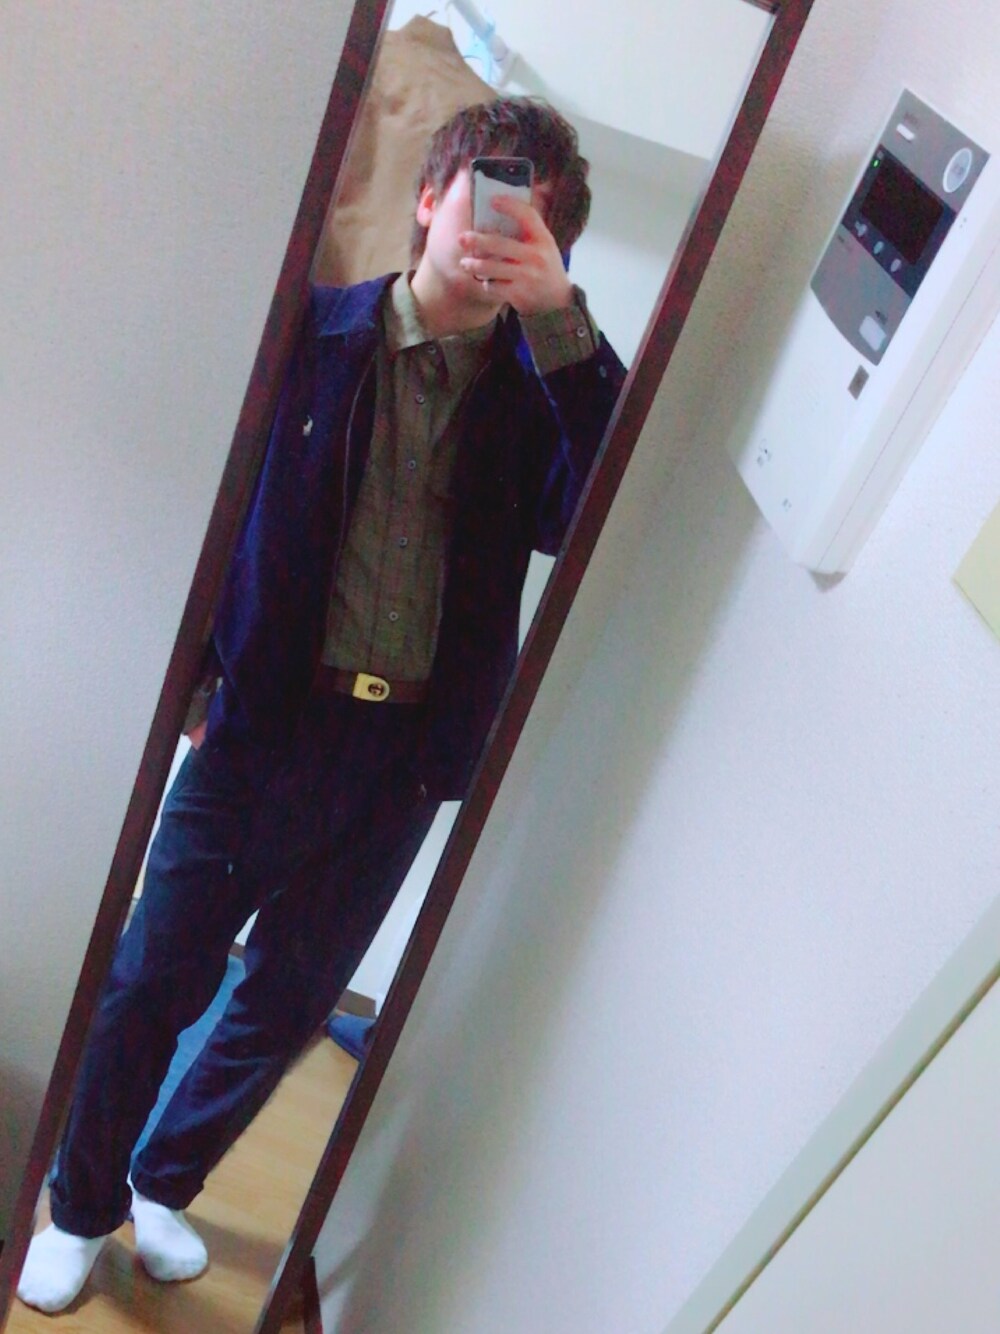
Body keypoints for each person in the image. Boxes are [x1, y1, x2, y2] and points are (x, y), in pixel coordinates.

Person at [17, 96, 625, 1314]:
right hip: (259, 728)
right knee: (152, 977)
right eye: (489, 196)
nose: (502, 232)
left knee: (288, 1001)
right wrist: (197, 677)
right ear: (430, 196)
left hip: (403, 757)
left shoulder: (534, 391)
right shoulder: (311, 333)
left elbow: (585, 511)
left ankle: (160, 1183)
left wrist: (564, 323)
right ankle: (78, 1205)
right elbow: (211, 492)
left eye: (539, 226)